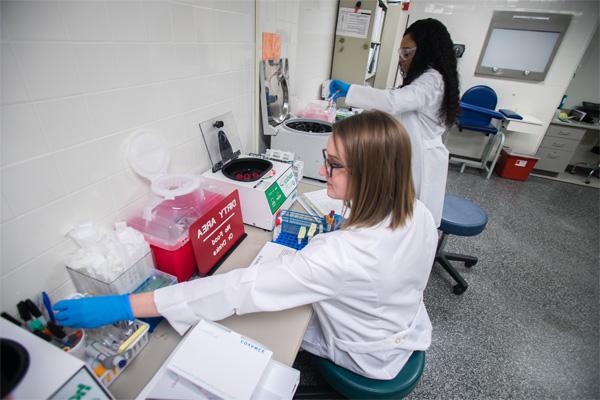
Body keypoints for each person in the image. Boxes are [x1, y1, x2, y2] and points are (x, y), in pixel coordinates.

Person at [53, 110, 438, 380]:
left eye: (333, 164)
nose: (322, 172)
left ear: (370, 175)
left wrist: (125, 304)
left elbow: (239, 287)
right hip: (398, 321)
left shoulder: (342, 256)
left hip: (365, 350)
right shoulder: (416, 210)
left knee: (263, 330)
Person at [329, 18, 460, 226]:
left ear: (425, 50)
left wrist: (350, 90)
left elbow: (394, 102)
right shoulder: (429, 79)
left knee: (413, 219)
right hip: (418, 153)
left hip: (422, 162)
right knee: (407, 218)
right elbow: (400, 106)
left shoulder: (432, 79)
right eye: (401, 53)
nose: (402, 59)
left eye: (407, 53)